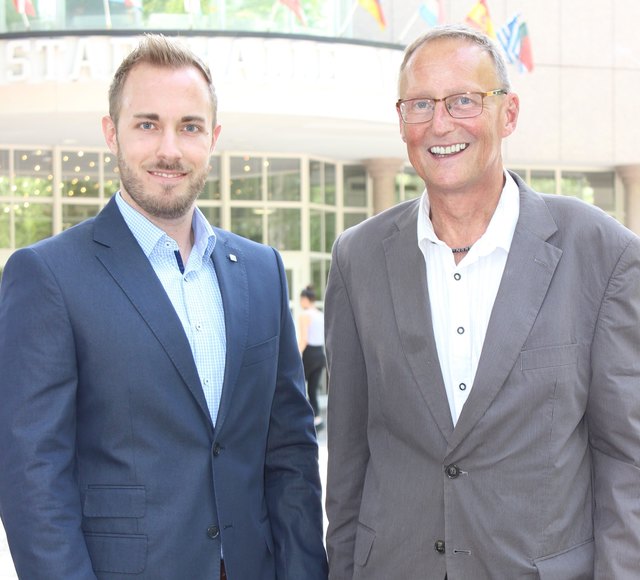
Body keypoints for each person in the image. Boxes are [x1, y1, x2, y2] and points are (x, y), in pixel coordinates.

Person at [0, 34, 327, 580]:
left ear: (214, 138)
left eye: (190, 127)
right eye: (147, 124)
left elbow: (290, 453)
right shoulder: (49, 275)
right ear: (112, 133)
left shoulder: (262, 271)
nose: (170, 149)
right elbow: (33, 477)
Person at [324, 24, 640, 579]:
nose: (440, 123)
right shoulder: (359, 258)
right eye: (420, 104)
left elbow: (626, 461)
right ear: (401, 120)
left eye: (464, 100)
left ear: (508, 113)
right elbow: (348, 460)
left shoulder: (600, 252)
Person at [298, 285, 326, 428]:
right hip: (320, 355)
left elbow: (304, 339)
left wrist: (296, 354)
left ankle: (303, 418)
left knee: (300, 388)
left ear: (305, 299)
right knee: (313, 389)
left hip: (308, 354)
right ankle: (317, 417)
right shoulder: (320, 314)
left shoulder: (305, 315)